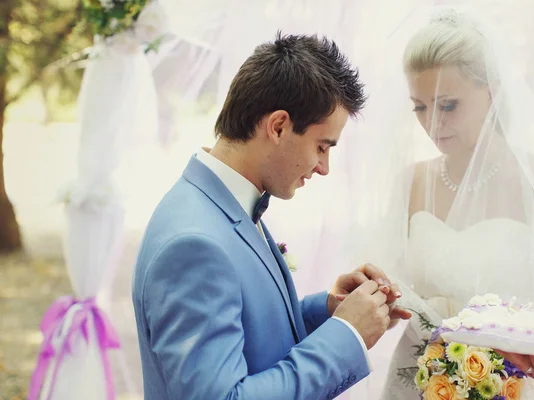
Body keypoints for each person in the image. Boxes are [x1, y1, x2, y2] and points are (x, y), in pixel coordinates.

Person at [311, 6, 534, 399]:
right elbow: (392, 312)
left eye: (448, 105)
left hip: (511, 384)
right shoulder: (410, 182)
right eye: (419, 106)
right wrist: (377, 298)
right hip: (416, 381)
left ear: (492, 92)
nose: (432, 123)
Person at [131, 32, 411, 400]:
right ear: (278, 126)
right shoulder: (193, 245)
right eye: (322, 146)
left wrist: (327, 311)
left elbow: (246, 333)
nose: (324, 167)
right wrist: (347, 334)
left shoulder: (224, 202)